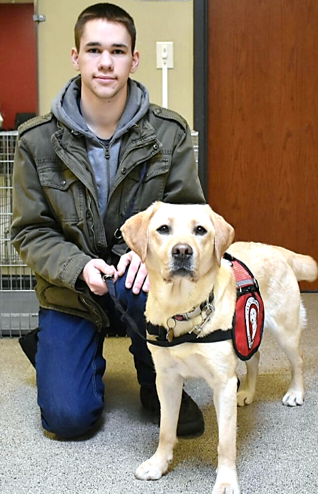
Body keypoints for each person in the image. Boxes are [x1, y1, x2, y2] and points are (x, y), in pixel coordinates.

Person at [11, 3, 206, 439]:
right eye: (94, 49)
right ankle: (55, 353)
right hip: (72, 290)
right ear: (76, 55)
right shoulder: (36, 141)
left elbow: (188, 215)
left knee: (146, 289)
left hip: (142, 285)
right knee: (69, 420)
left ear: (134, 59)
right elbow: (29, 230)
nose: (105, 62)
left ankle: (159, 382)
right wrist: (78, 266)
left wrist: (144, 252)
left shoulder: (169, 134)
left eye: (117, 51)